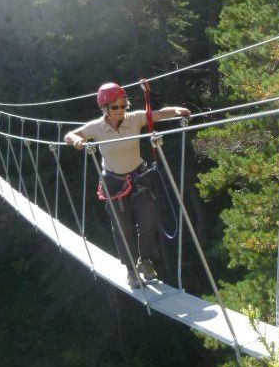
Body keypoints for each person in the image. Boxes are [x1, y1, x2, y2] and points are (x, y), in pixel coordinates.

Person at [64, 82, 191, 288]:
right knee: (123, 229)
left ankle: (145, 261)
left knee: (149, 220)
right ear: (104, 108)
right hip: (114, 184)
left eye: (123, 106)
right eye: (115, 107)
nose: (120, 111)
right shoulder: (96, 127)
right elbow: (70, 135)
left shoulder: (133, 119)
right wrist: (77, 142)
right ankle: (131, 271)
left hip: (139, 178)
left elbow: (158, 114)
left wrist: (178, 111)